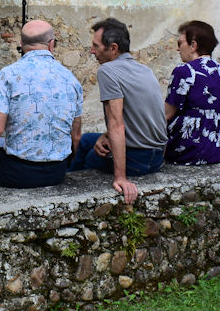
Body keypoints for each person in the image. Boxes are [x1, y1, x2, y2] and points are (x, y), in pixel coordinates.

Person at [0, 20, 83, 188]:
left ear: (21, 45)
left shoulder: (8, 74)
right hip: (57, 172)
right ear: (51, 44)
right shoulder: (71, 79)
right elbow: (76, 136)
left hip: (18, 173)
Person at [69, 18, 167, 203]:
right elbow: (139, 117)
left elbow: (116, 124)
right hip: (156, 156)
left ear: (113, 48)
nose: (92, 51)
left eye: (96, 46)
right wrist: (105, 136)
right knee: (85, 140)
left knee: (89, 158)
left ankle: (69, 197)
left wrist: (121, 178)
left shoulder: (107, 70)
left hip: (139, 160)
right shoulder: (145, 70)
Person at [163, 20, 220, 165]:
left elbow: (167, 114)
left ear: (193, 45)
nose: (178, 49)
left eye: (180, 43)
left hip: (191, 149)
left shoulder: (184, 71)